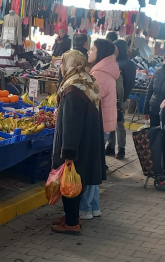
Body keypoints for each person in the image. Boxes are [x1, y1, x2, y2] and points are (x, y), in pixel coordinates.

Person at [51, 50, 105, 235]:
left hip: (75, 147)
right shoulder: (87, 82)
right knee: (76, 183)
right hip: (87, 145)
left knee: (69, 183)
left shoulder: (72, 88)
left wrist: (68, 155)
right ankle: (71, 217)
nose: (61, 67)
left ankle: (72, 223)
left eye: (63, 63)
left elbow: (71, 124)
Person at [79, 39, 119, 220]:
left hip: (98, 126)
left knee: (90, 168)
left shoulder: (99, 75)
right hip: (104, 125)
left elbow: (90, 101)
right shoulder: (106, 71)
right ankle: (94, 206)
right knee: (95, 166)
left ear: (100, 52)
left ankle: (85, 208)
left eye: (92, 49)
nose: (89, 52)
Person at [106, 40, 137, 159]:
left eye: (115, 48)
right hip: (110, 98)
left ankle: (122, 148)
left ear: (120, 48)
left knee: (119, 123)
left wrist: (122, 99)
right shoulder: (114, 61)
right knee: (110, 123)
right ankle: (111, 146)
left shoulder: (129, 64)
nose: (114, 50)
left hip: (121, 99)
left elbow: (129, 84)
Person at [144, 59, 165, 127]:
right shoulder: (157, 72)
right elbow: (150, 91)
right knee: (154, 135)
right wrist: (146, 110)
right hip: (154, 110)